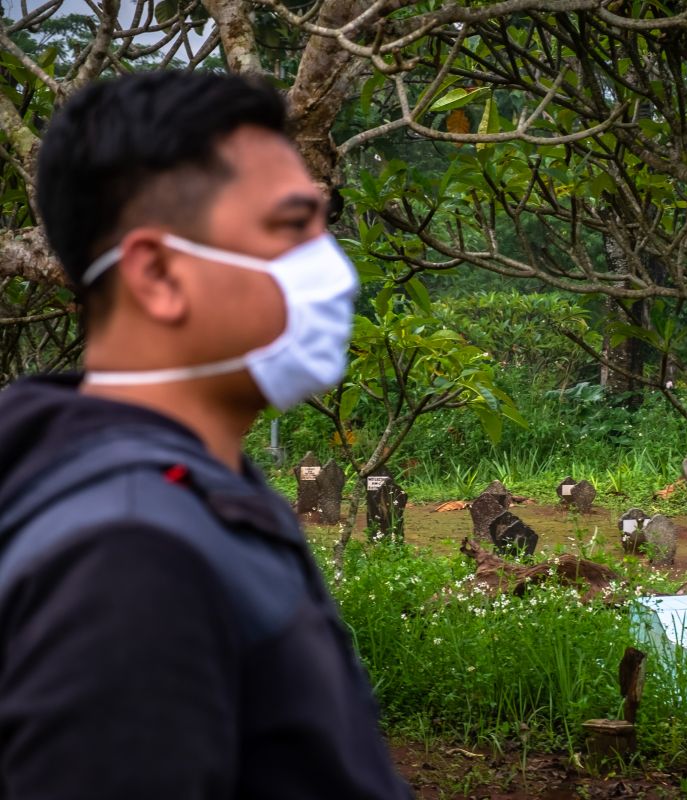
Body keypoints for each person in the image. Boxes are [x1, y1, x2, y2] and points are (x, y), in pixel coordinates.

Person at [0, 71, 413, 799]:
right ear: (158, 274)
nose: (334, 271)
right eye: (290, 229)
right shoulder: (129, 553)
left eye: (326, 225)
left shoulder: (178, 491)